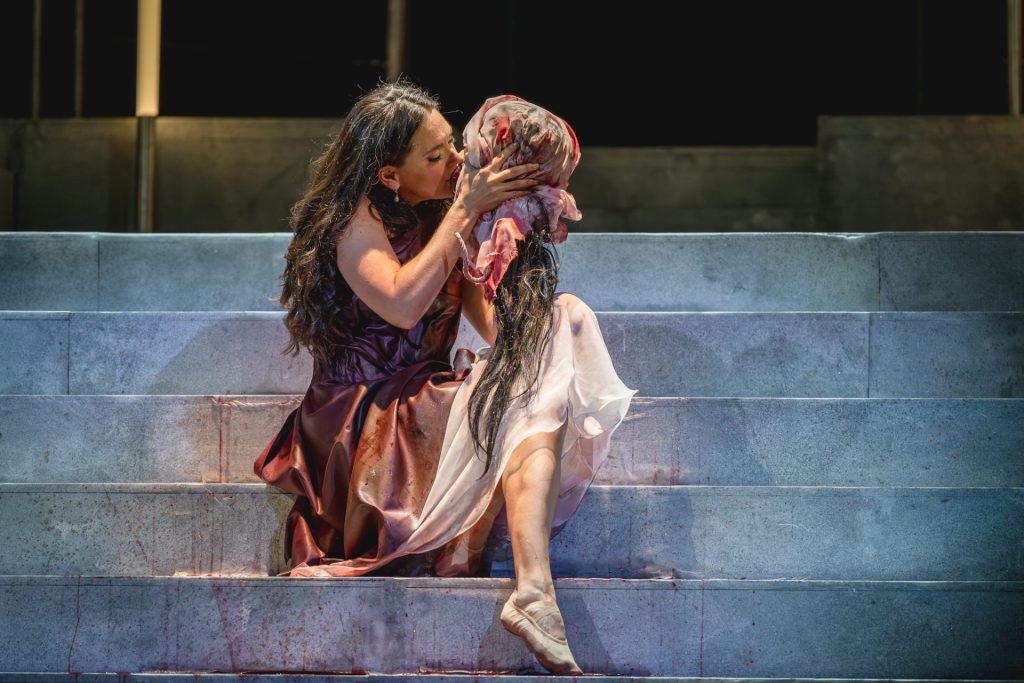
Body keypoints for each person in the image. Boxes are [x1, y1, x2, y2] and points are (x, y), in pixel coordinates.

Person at [253, 79, 636, 675]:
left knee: (562, 324)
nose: (457, 160)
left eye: (452, 144)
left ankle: (532, 588)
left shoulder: (443, 214)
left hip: (426, 398)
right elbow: (402, 304)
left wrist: (516, 225)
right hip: (365, 422)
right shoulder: (354, 220)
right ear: (389, 175)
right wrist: (466, 213)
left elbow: (493, 329)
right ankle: (495, 564)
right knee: (521, 392)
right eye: (436, 156)